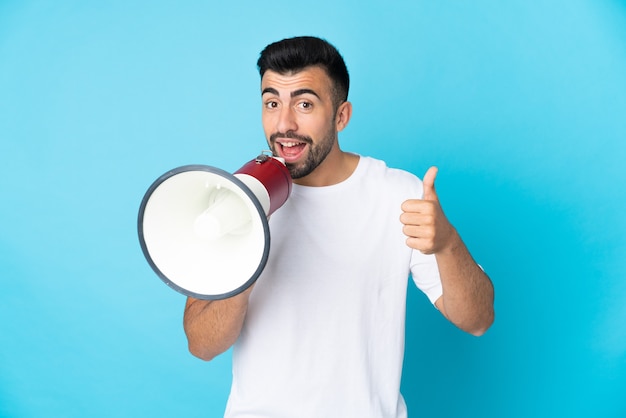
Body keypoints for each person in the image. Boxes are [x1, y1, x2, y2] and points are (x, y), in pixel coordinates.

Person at [183, 36, 495, 418]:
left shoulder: (398, 194)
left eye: (304, 103)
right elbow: (202, 344)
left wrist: (446, 243)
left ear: (341, 115)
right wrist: (246, 238)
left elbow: (478, 320)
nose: (284, 123)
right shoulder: (235, 199)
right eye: (272, 103)